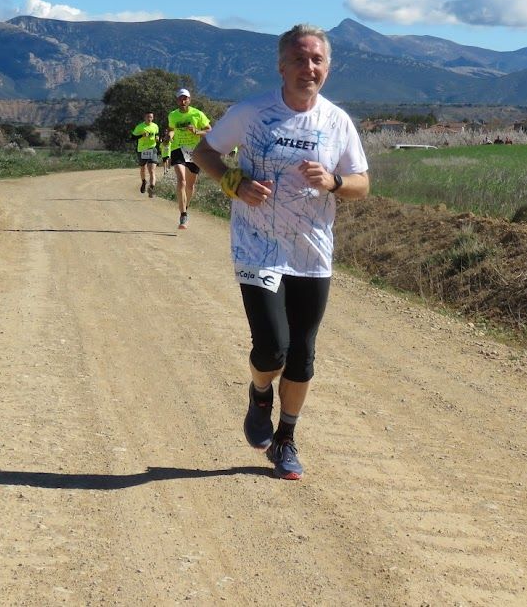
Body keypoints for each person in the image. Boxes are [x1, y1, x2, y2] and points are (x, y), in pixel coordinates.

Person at [192, 24, 369, 480]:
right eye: (298, 59)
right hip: (258, 246)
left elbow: (361, 184)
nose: (308, 68)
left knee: (303, 356)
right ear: (281, 66)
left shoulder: (337, 122)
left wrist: (333, 182)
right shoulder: (251, 113)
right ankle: (259, 394)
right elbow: (204, 152)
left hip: (312, 252)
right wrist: (235, 183)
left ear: (328, 67)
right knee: (272, 348)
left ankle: (285, 440)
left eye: (317, 60)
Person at [167, 88, 212, 230]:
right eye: (180, 98)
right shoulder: (172, 115)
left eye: (185, 98)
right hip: (178, 148)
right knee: (181, 180)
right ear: (177, 100)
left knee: (190, 186)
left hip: (194, 151)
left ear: (189, 100)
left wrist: (197, 131)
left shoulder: (198, 114)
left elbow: (209, 130)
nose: (183, 101)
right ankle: (183, 214)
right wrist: (169, 136)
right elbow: (171, 129)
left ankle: (185, 206)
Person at [131, 112, 160, 197]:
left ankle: (151, 188)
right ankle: (144, 182)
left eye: (151, 117)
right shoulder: (140, 127)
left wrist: (157, 138)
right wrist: (141, 135)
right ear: (144, 118)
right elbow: (132, 138)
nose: (149, 118)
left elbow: (157, 134)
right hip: (142, 150)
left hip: (152, 149)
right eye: (148, 117)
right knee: (143, 169)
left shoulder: (155, 126)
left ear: (153, 118)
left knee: (152, 170)